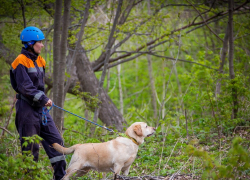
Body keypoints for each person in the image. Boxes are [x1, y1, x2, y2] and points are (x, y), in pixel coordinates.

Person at [10, 26, 66, 180]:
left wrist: (42, 100)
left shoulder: (41, 61)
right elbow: (25, 86)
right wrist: (43, 99)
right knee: (30, 148)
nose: (42, 45)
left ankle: (60, 177)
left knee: (57, 142)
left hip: (40, 110)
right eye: (39, 42)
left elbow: (38, 86)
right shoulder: (19, 61)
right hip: (26, 110)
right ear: (30, 43)